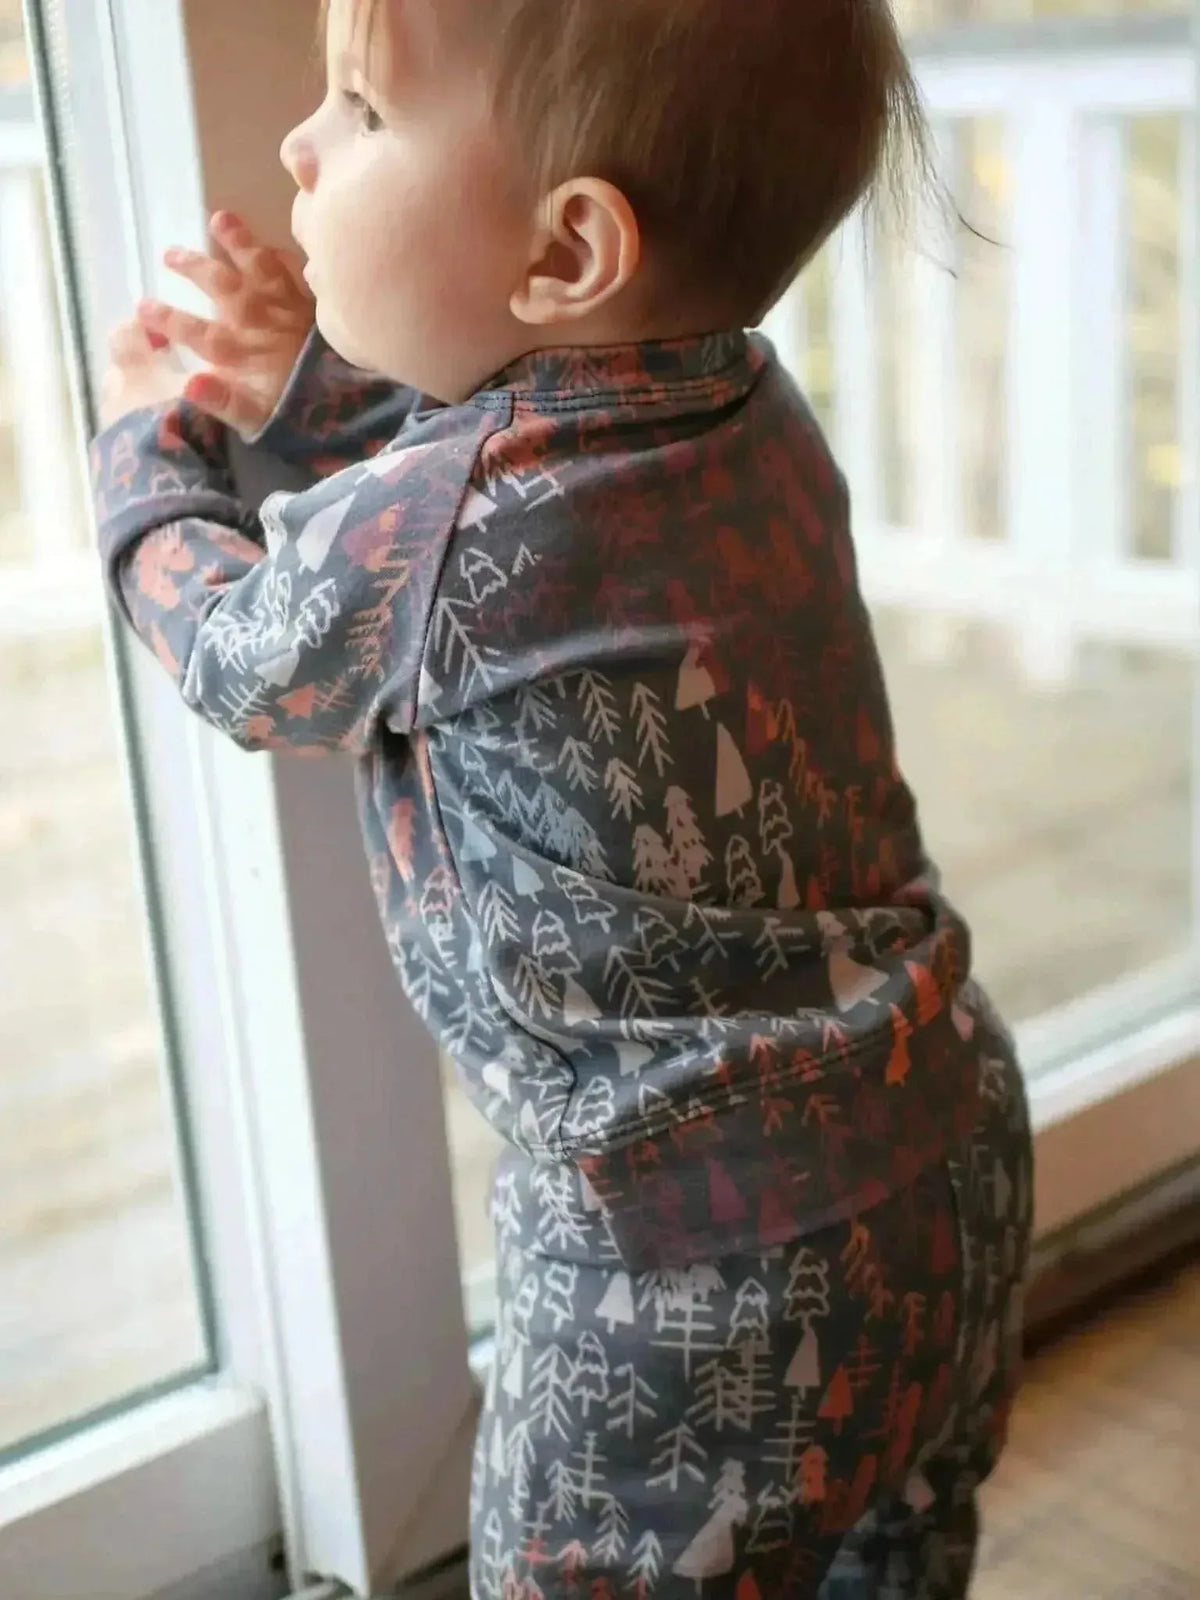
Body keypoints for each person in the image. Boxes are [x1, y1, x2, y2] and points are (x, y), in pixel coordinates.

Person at [92, 0, 1033, 1593]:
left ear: (570, 251)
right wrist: (316, 385)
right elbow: (527, 444)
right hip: (950, 1138)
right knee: (893, 1558)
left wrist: (145, 462)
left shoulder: (446, 527)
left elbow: (252, 655)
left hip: (689, 1263)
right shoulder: (754, 411)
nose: (298, 145)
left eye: (361, 112)